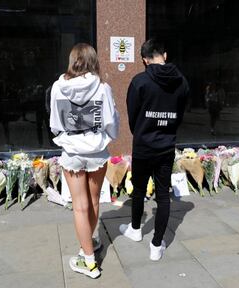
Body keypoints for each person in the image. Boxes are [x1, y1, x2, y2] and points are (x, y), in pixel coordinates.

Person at [49, 43, 119, 278]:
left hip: (72, 152)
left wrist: (68, 138)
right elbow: (111, 121)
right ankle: (88, 245)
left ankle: (88, 261)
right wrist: (103, 139)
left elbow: (55, 123)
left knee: (79, 206)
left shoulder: (59, 87)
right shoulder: (102, 87)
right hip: (97, 151)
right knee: (94, 201)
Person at [120, 39, 189, 261]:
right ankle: (157, 245)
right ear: (165, 55)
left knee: (139, 191)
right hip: (166, 146)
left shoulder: (139, 81)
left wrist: (143, 131)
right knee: (163, 196)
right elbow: (179, 115)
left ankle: (136, 229)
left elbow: (133, 117)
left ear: (144, 59)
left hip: (143, 146)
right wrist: (166, 130)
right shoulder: (182, 82)